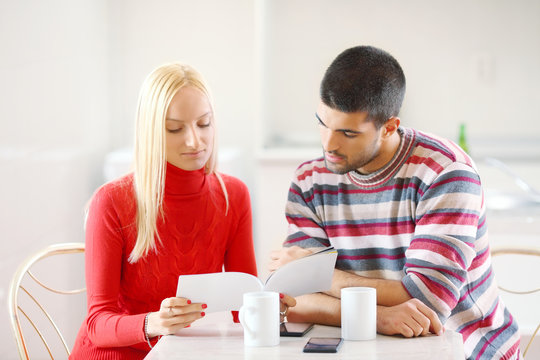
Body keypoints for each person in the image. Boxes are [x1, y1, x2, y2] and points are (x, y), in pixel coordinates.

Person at [270, 46, 520, 359]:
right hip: (373, 342)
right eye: (322, 123)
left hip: (467, 349)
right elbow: (294, 298)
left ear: (389, 126)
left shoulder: (445, 172)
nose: (328, 144)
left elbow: (427, 302)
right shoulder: (311, 179)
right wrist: (377, 316)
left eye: (348, 133)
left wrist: (321, 276)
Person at [70, 63, 295, 359]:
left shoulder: (233, 196)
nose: (195, 141)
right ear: (151, 132)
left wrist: (265, 306)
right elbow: (97, 323)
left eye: (204, 124)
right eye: (175, 128)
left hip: (179, 352)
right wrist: (153, 322)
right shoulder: (111, 201)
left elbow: (242, 304)